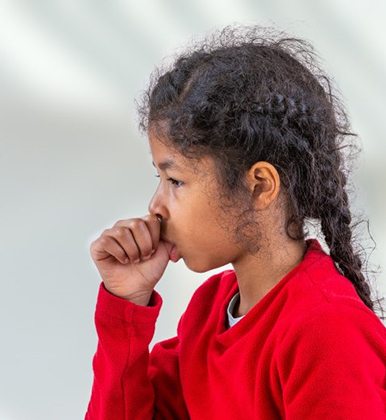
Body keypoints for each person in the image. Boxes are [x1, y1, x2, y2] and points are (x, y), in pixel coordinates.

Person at [84, 25, 386, 419]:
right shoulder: (210, 312)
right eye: (158, 179)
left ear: (260, 185)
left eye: (176, 181)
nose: (155, 207)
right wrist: (126, 303)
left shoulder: (327, 329)